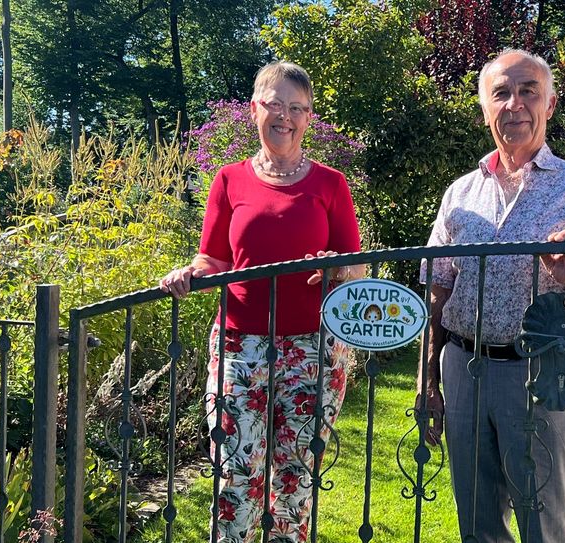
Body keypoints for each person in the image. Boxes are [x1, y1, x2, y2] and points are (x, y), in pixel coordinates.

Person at [418, 49, 565, 543]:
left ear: (550, 103)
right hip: (463, 367)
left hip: (542, 373)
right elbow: (438, 290)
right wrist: (428, 382)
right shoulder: (460, 194)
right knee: (477, 523)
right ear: (485, 109)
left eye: (527, 91)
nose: (514, 104)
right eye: (501, 93)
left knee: (545, 520)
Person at [160, 61, 363, 543]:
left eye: (297, 108)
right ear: (255, 108)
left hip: (312, 349)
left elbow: (357, 267)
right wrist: (190, 273)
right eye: (275, 104)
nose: (285, 116)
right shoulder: (229, 181)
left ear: (309, 118)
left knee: (294, 478)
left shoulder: (330, 184)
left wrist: (337, 263)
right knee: (235, 472)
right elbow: (213, 258)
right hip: (239, 345)